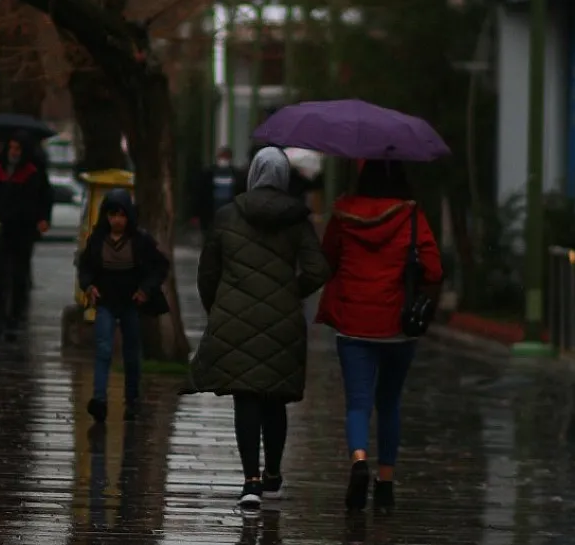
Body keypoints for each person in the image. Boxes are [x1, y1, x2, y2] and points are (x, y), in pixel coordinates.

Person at [188, 147, 330, 509]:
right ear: (284, 178)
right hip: (283, 321)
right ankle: (272, 476)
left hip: (236, 318)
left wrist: (219, 309)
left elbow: (208, 273)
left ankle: (250, 482)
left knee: (246, 397)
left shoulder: (226, 216)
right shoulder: (298, 220)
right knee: (275, 398)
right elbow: (317, 270)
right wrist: (288, 294)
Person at [315, 160, 442, 514]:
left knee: (358, 403)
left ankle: (359, 460)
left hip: (354, 323)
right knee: (389, 404)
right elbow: (434, 269)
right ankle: (385, 483)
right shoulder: (412, 217)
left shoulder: (343, 215)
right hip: (397, 326)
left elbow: (328, 259)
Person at [77, 189, 169, 423]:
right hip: (106, 301)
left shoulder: (140, 240)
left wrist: (145, 290)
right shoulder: (97, 240)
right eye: (112, 215)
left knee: (131, 353)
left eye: (121, 215)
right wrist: (89, 286)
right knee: (104, 349)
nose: (116, 220)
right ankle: (99, 400)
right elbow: (85, 267)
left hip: (130, 303)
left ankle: (132, 400)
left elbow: (159, 266)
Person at [0, 130, 53, 339]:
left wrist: (43, 218)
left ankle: (16, 318)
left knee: (19, 274)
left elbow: (45, 196)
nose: (13, 152)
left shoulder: (34, 169)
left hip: (22, 231)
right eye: (11, 147)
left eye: (17, 148)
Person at [193, 147, 245, 231]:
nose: (223, 159)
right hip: (211, 214)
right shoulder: (208, 173)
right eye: (222, 156)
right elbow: (200, 194)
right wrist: (197, 214)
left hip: (230, 214)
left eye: (226, 157)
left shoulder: (237, 175)